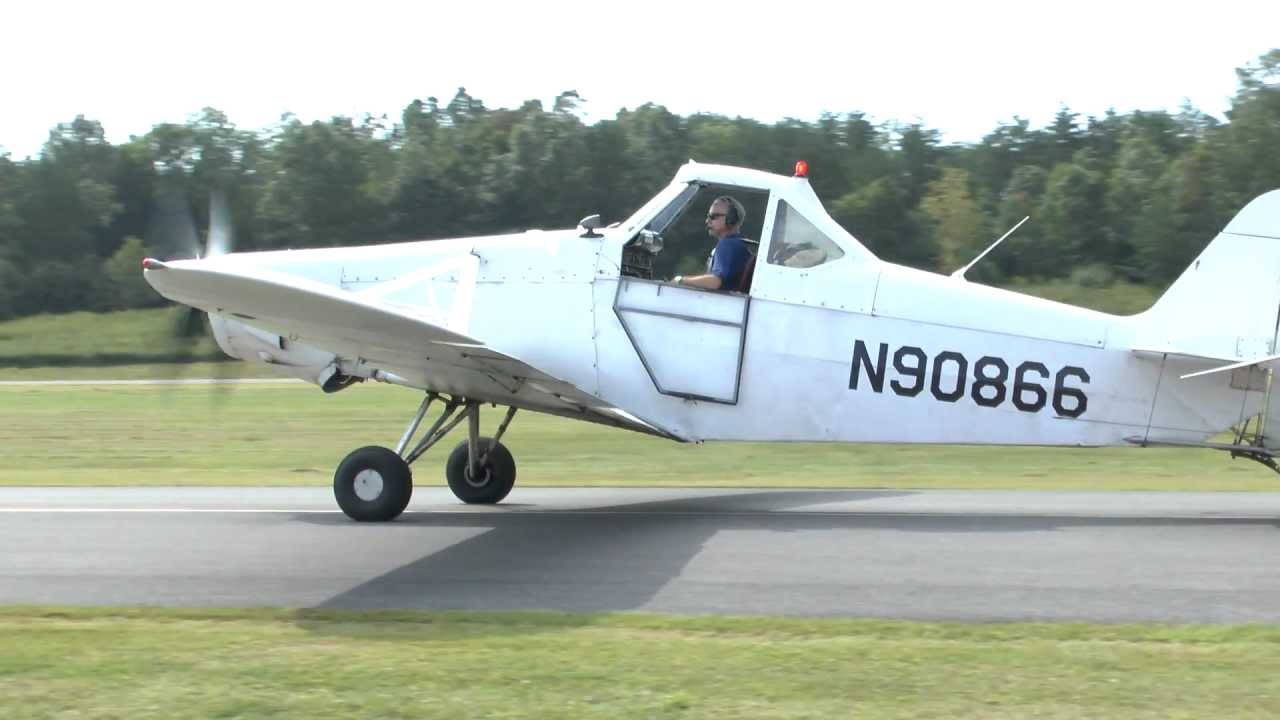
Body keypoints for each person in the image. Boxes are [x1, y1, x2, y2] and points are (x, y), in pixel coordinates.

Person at [672, 196, 750, 291]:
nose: (707, 221)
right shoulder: (738, 244)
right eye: (708, 216)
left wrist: (680, 280)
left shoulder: (728, 245)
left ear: (731, 218)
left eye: (713, 217)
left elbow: (715, 282)